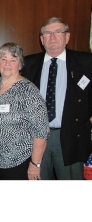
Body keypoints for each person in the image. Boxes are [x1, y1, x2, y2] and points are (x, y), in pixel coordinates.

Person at [22, 17, 92, 180]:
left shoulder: (86, 62)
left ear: (67, 37)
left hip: (71, 136)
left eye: (58, 32)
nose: (52, 37)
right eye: (48, 33)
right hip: (36, 138)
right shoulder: (28, 64)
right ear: (42, 39)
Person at [0, 43, 49, 180]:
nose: (7, 64)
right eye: (3, 59)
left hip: (19, 162)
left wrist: (35, 164)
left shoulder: (28, 90)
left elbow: (41, 131)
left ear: (20, 65)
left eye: (13, 60)